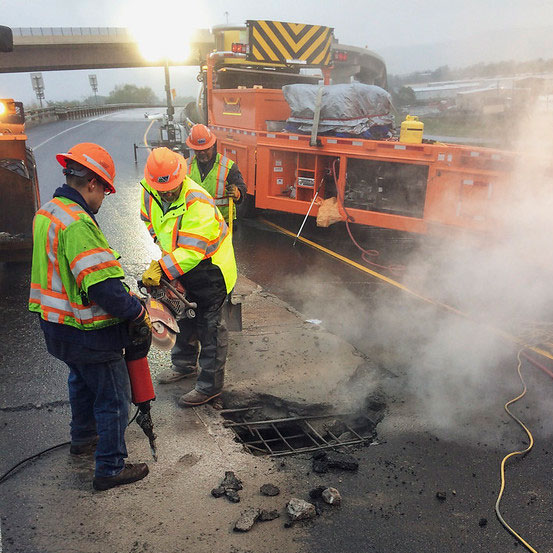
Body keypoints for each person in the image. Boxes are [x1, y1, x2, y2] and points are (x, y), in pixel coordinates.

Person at [28, 143, 150, 491]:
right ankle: (110, 468)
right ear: (93, 183)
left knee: (81, 382)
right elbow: (104, 290)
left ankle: (83, 439)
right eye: (105, 192)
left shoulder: (48, 212)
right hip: (89, 332)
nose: (102, 200)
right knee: (112, 398)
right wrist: (137, 311)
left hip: (57, 328)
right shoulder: (79, 223)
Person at [140, 147, 237, 406]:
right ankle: (183, 365)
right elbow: (150, 221)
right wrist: (165, 254)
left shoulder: (198, 202)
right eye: (162, 189)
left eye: (172, 187)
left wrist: (163, 267)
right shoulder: (149, 192)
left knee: (210, 327)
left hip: (211, 270)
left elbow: (193, 252)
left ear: (181, 177)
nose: (167, 193)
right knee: (180, 314)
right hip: (180, 264)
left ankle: (209, 387)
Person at [185, 124, 247, 225]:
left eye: (206, 149)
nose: (202, 153)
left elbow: (241, 188)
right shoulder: (185, 166)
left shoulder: (228, 167)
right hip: (195, 224)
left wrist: (238, 193)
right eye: (198, 151)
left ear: (212, 146)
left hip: (221, 225)